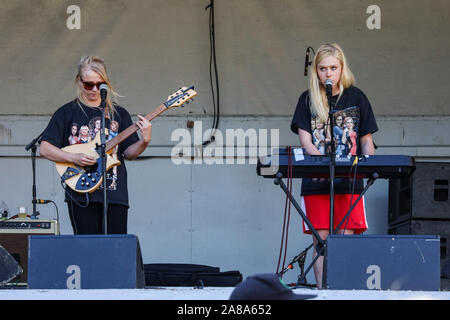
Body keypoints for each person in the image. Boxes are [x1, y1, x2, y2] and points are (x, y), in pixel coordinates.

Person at [290, 43, 378, 288]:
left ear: (342, 69)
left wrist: (370, 166)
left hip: (349, 180)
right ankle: (322, 292)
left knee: (346, 238)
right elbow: (305, 140)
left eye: (333, 68)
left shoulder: (356, 96)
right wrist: (320, 160)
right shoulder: (307, 99)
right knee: (322, 239)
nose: (328, 73)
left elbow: (366, 140)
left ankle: (344, 290)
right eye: (322, 68)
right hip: (317, 180)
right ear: (315, 71)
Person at [39, 55, 152, 235]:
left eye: (99, 85)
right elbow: (44, 148)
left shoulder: (119, 114)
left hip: (114, 194)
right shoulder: (67, 112)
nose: (94, 89)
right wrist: (73, 157)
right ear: (79, 81)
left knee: (116, 249)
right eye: (88, 84)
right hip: (80, 192)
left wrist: (144, 141)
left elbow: (130, 153)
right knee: (87, 249)